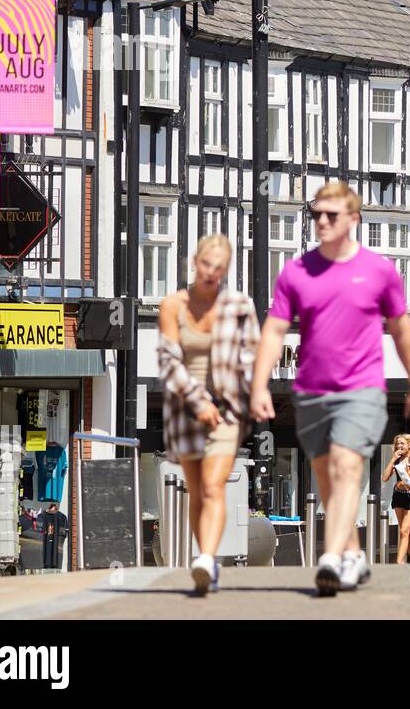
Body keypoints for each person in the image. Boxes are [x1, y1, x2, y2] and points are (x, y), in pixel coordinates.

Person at [250, 181, 410, 597]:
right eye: (316, 215)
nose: (322, 222)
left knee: (347, 467)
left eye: (331, 215)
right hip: (312, 391)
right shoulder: (296, 272)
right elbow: (274, 329)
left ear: (354, 219)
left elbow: (401, 330)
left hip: (363, 388)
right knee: (329, 481)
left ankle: (330, 557)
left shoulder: (379, 270)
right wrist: (259, 382)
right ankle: (353, 554)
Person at [158, 233, 259, 595]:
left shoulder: (240, 306)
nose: (211, 272)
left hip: (227, 411)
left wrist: (254, 392)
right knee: (197, 491)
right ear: (194, 263)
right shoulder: (172, 305)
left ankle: (205, 557)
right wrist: (199, 402)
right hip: (185, 409)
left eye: (219, 267)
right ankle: (208, 561)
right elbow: (169, 361)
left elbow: (251, 356)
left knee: (215, 485)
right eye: (206, 264)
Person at [382, 434, 410, 564]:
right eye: (397, 444)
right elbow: (385, 477)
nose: (399, 446)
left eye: (402, 443)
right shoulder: (397, 460)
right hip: (399, 496)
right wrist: (393, 459)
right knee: (406, 533)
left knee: (405, 530)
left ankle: (399, 563)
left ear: (409, 445)